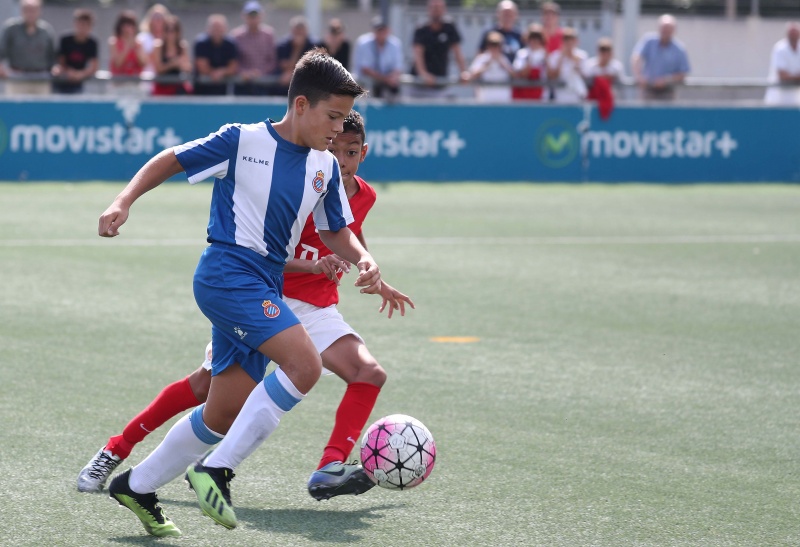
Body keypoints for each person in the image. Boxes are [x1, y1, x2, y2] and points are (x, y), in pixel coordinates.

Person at [99, 49, 375, 538]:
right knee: (305, 366)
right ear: (301, 104)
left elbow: (337, 231)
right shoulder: (241, 140)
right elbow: (172, 158)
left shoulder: (325, 168)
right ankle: (215, 471)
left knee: (222, 412)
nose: (338, 130)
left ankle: (136, 486)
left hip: (264, 280)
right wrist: (124, 200)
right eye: (332, 117)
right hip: (227, 272)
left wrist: (364, 259)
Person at [79, 110, 413, 504]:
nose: (341, 158)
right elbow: (262, 251)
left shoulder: (360, 193)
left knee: (367, 372)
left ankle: (329, 466)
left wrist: (372, 272)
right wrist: (311, 264)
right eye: (334, 145)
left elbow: (347, 234)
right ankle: (117, 450)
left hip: (318, 306)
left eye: (351, 151)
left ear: (363, 153)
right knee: (206, 389)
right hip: (267, 296)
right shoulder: (302, 176)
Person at [409, 0, 467, 98]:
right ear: (428, 9)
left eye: (439, 7)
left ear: (444, 9)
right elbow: (417, 54)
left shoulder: (449, 28)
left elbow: (457, 52)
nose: (436, 10)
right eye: (434, 7)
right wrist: (424, 74)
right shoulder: (421, 29)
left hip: (440, 84)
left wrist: (463, 72)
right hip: (419, 85)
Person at [0, 0, 56, 96]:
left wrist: (56, 68)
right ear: (21, 10)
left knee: (41, 110)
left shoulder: (46, 31)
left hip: (41, 80)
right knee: (16, 110)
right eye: (27, 10)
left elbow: (53, 56)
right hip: (17, 79)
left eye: (33, 10)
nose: (30, 13)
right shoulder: (11, 29)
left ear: (39, 11)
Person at [631, 14, 690, 101]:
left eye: (668, 29)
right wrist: (639, 76)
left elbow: (683, 73)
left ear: (674, 30)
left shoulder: (679, 49)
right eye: (663, 28)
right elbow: (636, 57)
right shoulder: (649, 41)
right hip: (648, 89)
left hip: (668, 92)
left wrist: (666, 80)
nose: (665, 31)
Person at [231, 1, 276, 96]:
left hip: (264, 84)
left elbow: (272, 60)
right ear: (244, 16)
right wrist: (244, 72)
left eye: (255, 15)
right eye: (250, 15)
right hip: (242, 84)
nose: (253, 19)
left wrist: (260, 72)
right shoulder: (236, 36)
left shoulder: (268, 35)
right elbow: (233, 60)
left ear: (261, 16)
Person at [352, 16, 403, 100]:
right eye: (379, 30)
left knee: (394, 93)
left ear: (388, 30)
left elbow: (398, 67)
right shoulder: (363, 43)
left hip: (386, 84)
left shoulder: (395, 44)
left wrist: (392, 78)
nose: (381, 33)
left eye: (383, 30)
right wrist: (386, 79)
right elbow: (365, 69)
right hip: (365, 85)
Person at [52, 8, 98, 94]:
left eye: (86, 25)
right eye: (80, 24)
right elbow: (60, 62)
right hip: (62, 81)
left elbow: (93, 66)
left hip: (78, 84)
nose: (82, 27)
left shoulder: (92, 43)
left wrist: (80, 74)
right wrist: (69, 72)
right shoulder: (65, 40)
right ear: (75, 24)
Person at [193, 14, 238, 96]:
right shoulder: (201, 43)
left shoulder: (230, 44)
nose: (217, 31)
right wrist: (214, 73)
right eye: (214, 28)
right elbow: (202, 67)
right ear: (208, 29)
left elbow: (233, 67)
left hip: (223, 91)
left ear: (225, 29)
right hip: (202, 91)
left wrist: (222, 72)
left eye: (219, 28)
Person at [464, 30, 514, 102]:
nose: (494, 48)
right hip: (485, 99)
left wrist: (503, 65)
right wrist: (486, 66)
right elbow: (472, 75)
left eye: (497, 45)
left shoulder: (504, 59)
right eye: (492, 45)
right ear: (488, 45)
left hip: (503, 99)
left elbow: (514, 75)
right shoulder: (482, 58)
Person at [274, 15, 317, 95]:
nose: (299, 34)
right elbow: (284, 66)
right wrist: (296, 49)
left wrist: (293, 75)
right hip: (285, 88)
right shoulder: (283, 45)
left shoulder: (314, 45)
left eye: (301, 31)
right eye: (296, 31)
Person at [151, 15, 192, 96]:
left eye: (173, 30)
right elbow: (158, 69)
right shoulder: (158, 46)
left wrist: (181, 65)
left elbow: (188, 68)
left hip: (178, 86)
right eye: (167, 30)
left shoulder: (182, 46)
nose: (170, 34)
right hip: (162, 88)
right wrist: (173, 64)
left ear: (178, 32)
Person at [546, 27, 587, 104]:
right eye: (566, 40)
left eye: (571, 40)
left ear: (576, 41)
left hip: (577, 96)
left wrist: (574, 60)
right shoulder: (555, 56)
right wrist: (561, 58)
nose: (569, 42)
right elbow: (553, 76)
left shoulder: (582, 56)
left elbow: (585, 76)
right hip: (560, 96)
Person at [764, 22, 800, 106]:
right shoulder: (780, 49)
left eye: (795, 34)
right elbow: (783, 76)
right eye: (792, 34)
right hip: (777, 98)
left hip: (795, 99)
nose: (794, 36)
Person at [511, 23, 547, 101]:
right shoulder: (522, 53)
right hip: (523, 96)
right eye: (532, 37)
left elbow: (550, 75)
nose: (535, 40)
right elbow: (521, 74)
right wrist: (530, 59)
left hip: (541, 96)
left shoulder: (546, 54)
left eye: (538, 37)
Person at [137, 3, 169, 76]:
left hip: (165, 81)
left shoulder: (170, 38)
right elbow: (143, 61)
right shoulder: (142, 38)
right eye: (155, 17)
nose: (158, 20)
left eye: (160, 17)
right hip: (147, 80)